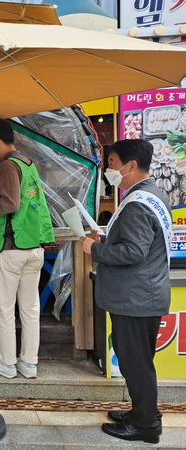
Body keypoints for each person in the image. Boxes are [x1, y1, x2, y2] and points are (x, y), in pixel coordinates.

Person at [81, 139, 171, 444]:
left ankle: (146, 425)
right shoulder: (151, 194)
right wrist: (107, 237)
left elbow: (134, 251)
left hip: (136, 298)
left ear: (131, 166)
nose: (109, 169)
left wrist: (94, 248)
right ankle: (139, 412)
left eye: (111, 162)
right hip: (143, 294)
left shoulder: (137, 203)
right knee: (136, 361)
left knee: (136, 364)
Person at [0, 118, 54, 380]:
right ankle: (29, 363)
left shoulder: (7, 165)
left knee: (4, 308)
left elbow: (8, 204)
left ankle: (7, 363)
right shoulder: (28, 164)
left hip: (11, 247)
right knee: (29, 308)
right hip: (33, 247)